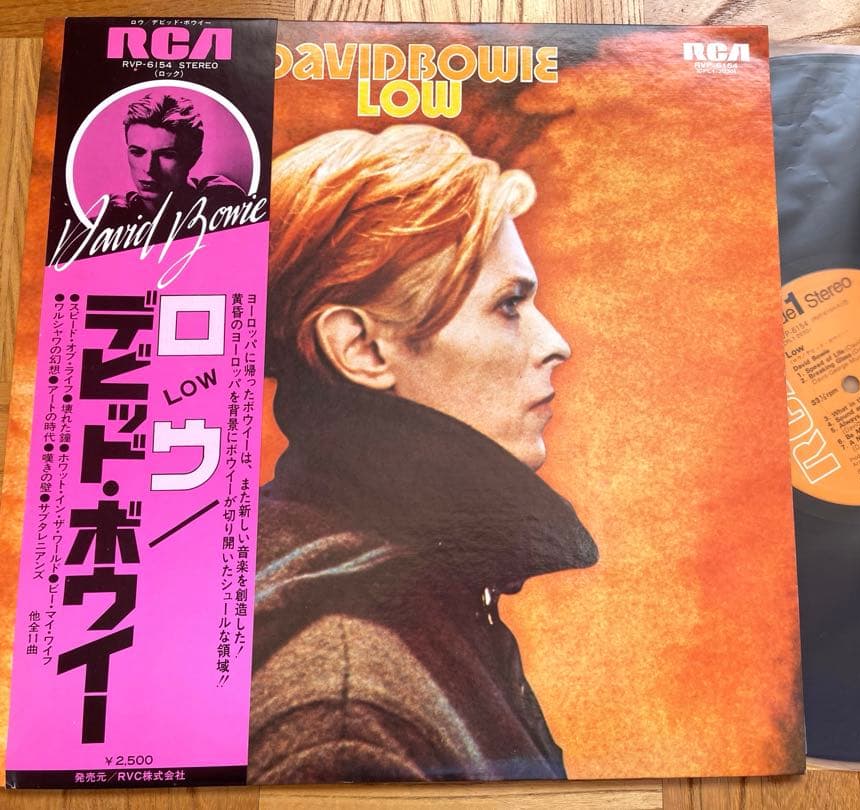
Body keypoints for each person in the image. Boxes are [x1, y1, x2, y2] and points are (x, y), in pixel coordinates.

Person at [248, 125, 598, 784]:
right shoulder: (342, 719)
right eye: (509, 305)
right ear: (361, 349)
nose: (556, 344)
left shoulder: (413, 591)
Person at [98, 90, 247, 227]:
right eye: (137, 152)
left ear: (193, 158)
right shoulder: (118, 213)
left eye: (167, 155)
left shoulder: (221, 201)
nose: (149, 168)